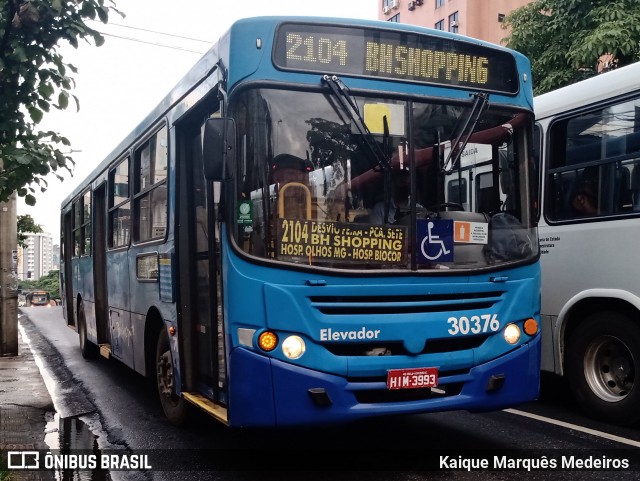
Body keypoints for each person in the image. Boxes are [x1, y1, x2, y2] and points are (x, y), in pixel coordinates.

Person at [270, 153, 314, 220]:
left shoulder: (315, 208)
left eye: (290, 180)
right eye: (279, 181)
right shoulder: (272, 208)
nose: (280, 186)